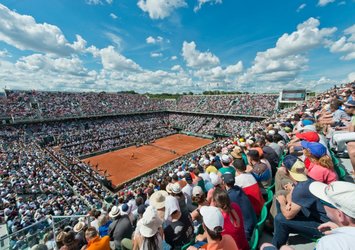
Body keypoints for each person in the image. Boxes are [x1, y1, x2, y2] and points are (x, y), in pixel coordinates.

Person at [271, 156, 330, 248]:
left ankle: (275, 246)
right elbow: (297, 194)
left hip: (324, 226)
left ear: (286, 171)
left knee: (280, 219)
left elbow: (288, 215)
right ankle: (281, 234)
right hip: (316, 215)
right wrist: (291, 193)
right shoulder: (308, 180)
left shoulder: (301, 189)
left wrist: (283, 202)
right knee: (281, 196)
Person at [309, 181, 355, 250]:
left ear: (340, 215)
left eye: (323, 202)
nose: (323, 205)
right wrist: (340, 228)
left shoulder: (330, 244)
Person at [222, 172, 257, 240]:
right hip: (252, 222)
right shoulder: (238, 188)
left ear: (224, 183)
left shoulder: (229, 197)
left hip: (246, 231)